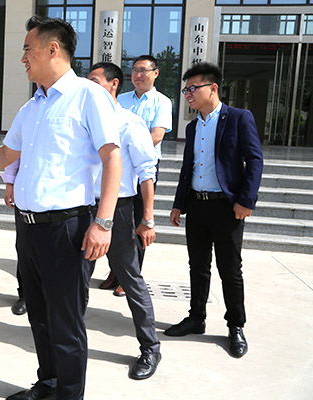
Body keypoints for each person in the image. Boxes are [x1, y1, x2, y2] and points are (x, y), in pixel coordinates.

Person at [0, 15, 122, 400]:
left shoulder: (89, 97)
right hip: (29, 228)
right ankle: (49, 385)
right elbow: (7, 153)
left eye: (27, 49)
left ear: (52, 49)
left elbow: (112, 159)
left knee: (66, 323)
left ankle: (69, 395)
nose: (23, 57)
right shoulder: (33, 105)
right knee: (39, 316)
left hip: (67, 228)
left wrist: (103, 223)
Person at [166, 62, 263, 359]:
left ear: (213, 88)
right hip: (197, 205)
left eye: (193, 88)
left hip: (227, 208)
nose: (188, 94)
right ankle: (197, 318)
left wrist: (246, 200)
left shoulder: (238, 118)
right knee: (198, 266)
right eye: (186, 89)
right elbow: (188, 168)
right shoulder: (193, 126)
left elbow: (254, 160)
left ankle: (235, 325)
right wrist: (179, 203)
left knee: (230, 270)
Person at [88, 62, 161, 379]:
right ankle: (70, 340)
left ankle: (150, 348)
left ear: (113, 84)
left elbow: (147, 173)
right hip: (83, 206)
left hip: (119, 209)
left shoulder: (130, 124)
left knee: (130, 278)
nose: (88, 87)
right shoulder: (85, 120)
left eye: (95, 81)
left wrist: (147, 218)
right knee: (77, 275)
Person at [103, 55, 171, 296]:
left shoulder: (162, 102)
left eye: (143, 70)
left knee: (138, 222)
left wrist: (127, 153)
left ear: (156, 73)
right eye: (134, 70)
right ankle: (115, 270)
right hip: (115, 168)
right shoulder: (120, 99)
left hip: (143, 169)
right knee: (115, 220)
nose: (138, 75)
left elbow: (156, 135)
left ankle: (130, 275)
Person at [1, 158, 27, 316]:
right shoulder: (23, 131)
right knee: (24, 248)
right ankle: (25, 295)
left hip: (62, 199)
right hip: (26, 196)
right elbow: (12, 154)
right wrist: (9, 183)